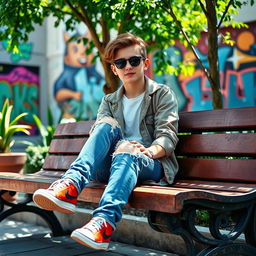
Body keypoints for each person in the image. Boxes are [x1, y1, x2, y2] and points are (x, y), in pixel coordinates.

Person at [33, 33, 179, 251]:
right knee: (104, 125)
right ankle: (71, 184)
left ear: (145, 63)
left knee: (127, 149)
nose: (127, 66)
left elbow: (167, 137)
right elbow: (101, 137)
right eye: (120, 62)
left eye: (134, 60)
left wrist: (147, 152)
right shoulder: (109, 101)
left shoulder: (161, 94)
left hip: (150, 163)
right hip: (111, 166)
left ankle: (103, 224)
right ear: (114, 69)